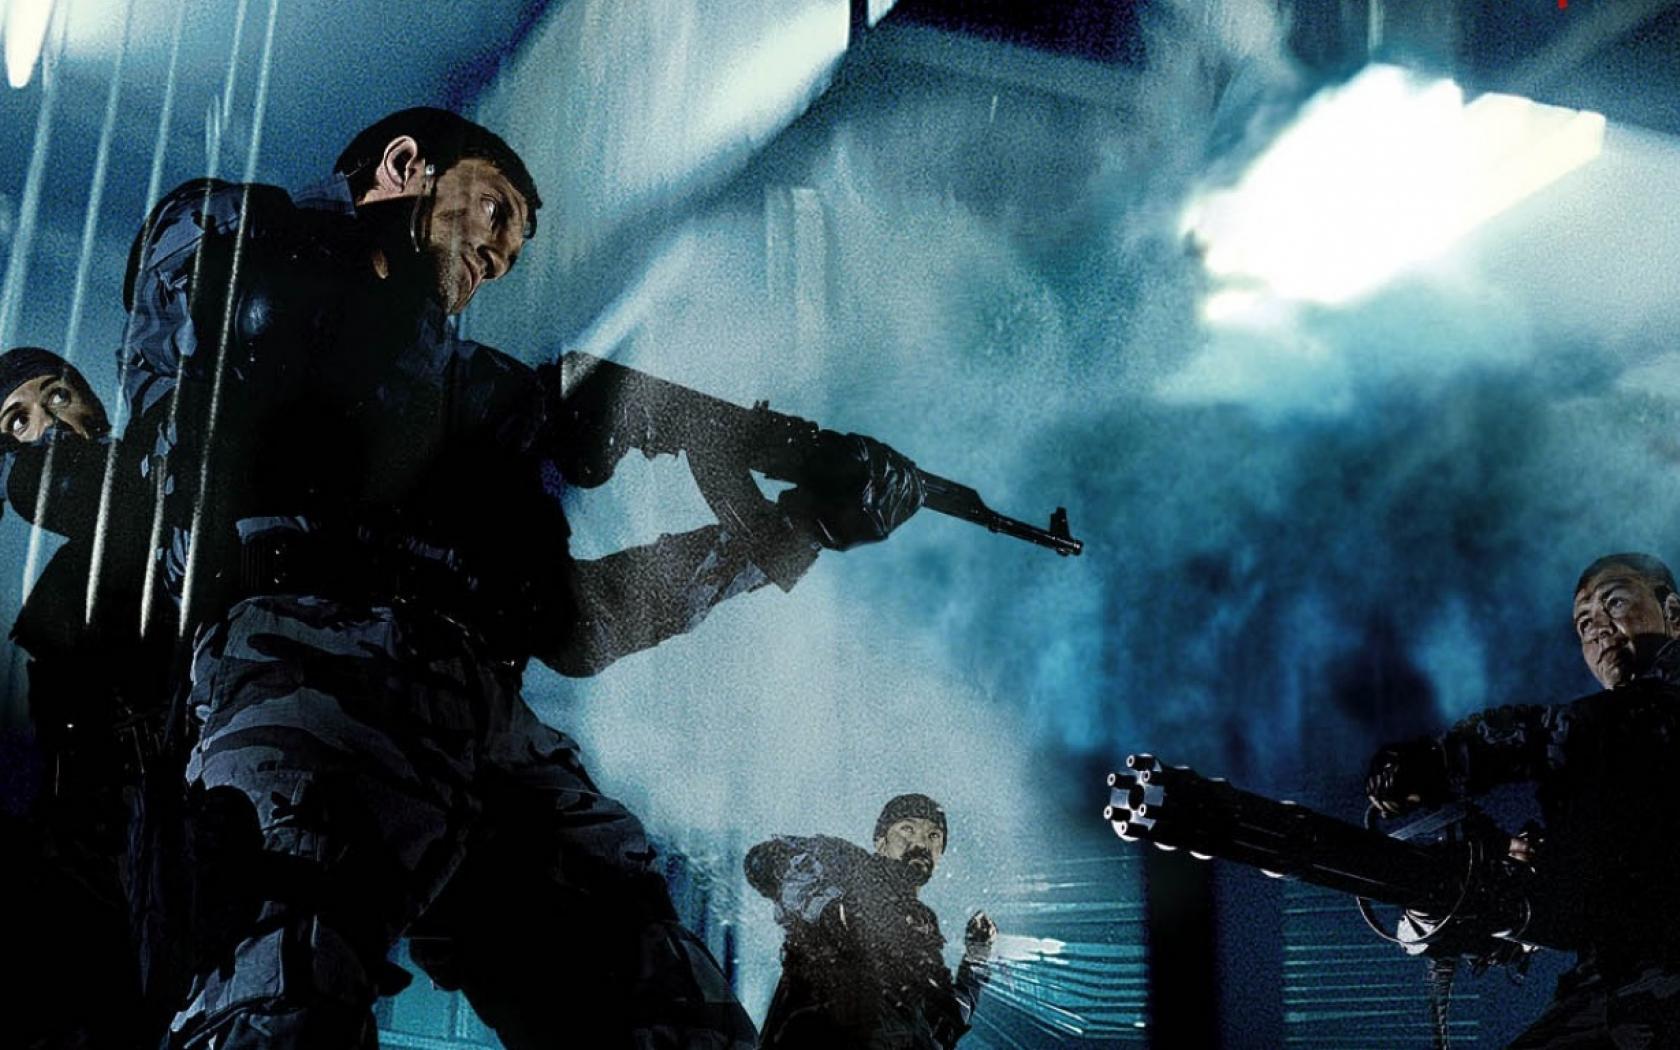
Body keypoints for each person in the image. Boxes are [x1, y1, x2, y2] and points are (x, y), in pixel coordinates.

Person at [117, 107, 925, 1049]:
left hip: (486, 727)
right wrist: (515, 386)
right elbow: (208, 329)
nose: (498, 256)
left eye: (513, 249)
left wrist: (792, 529)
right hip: (308, 673)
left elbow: (579, 624)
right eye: (494, 211)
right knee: (276, 1001)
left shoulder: (488, 404)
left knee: (666, 1004)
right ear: (405, 164)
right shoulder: (251, 259)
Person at [1366, 552, 1680, 1048]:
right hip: (1617, 983)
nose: (1598, 628)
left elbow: (1551, 733)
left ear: (1673, 613)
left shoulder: (1610, 724)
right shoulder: (1600, 748)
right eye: (1584, 623)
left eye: (1615, 602)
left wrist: (1436, 762)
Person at [0, 345, 172, 1049]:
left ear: (91, 399)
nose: (45, 425)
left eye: (56, 396)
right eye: (18, 421)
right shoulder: (58, 607)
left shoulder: (171, 475)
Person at [744, 793, 997, 1049]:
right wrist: (832, 910)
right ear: (881, 841)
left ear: (940, 853)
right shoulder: (849, 865)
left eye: (933, 835)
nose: (921, 842)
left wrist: (976, 958)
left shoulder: (922, 926)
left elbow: (944, 1026)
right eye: (908, 829)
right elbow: (762, 860)